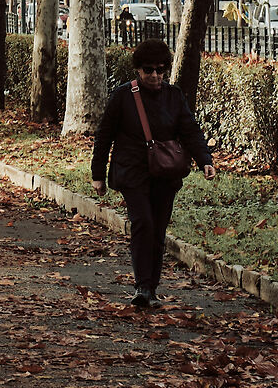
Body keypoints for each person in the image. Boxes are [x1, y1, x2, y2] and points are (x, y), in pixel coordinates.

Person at [91, 41, 216, 307]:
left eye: (160, 70)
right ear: (137, 70)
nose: (155, 76)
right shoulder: (123, 96)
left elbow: (190, 130)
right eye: (148, 70)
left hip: (165, 174)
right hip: (132, 172)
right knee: (143, 223)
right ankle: (141, 285)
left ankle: (151, 288)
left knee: (158, 230)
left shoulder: (173, 96)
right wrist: (97, 174)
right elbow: (104, 136)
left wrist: (205, 159)